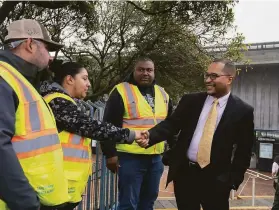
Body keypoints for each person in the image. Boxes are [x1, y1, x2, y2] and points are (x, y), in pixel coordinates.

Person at [139, 58, 255, 210]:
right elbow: (172, 124)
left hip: (217, 181)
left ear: (229, 79)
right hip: (185, 176)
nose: (207, 80)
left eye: (213, 76)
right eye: (206, 75)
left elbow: (244, 151)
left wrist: (232, 181)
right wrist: (151, 135)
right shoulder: (191, 101)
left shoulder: (243, 111)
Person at [40, 61, 143, 210]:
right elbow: (92, 127)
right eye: (84, 78)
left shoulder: (61, 100)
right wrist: (130, 134)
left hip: (60, 183)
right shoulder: (57, 101)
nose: (88, 84)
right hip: (54, 185)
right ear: (70, 79)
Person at [0, 19, 69, 210]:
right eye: (47, 49)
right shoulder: (4, 78)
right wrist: (27, 203)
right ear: (30, 44)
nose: (50, 56)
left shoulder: (19, 78)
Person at [100, 57, 174, 210]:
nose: (145, 73)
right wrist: (110, 154)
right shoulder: (121, 91)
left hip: (155, 158)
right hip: (129, 158)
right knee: (128, 204)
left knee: (148, 202)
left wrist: (172, 150)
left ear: (154, 72)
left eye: (149, 70)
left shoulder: (163, 93)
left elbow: (170, 125)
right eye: (141, 70)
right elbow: (108, 125)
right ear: (134, 71)